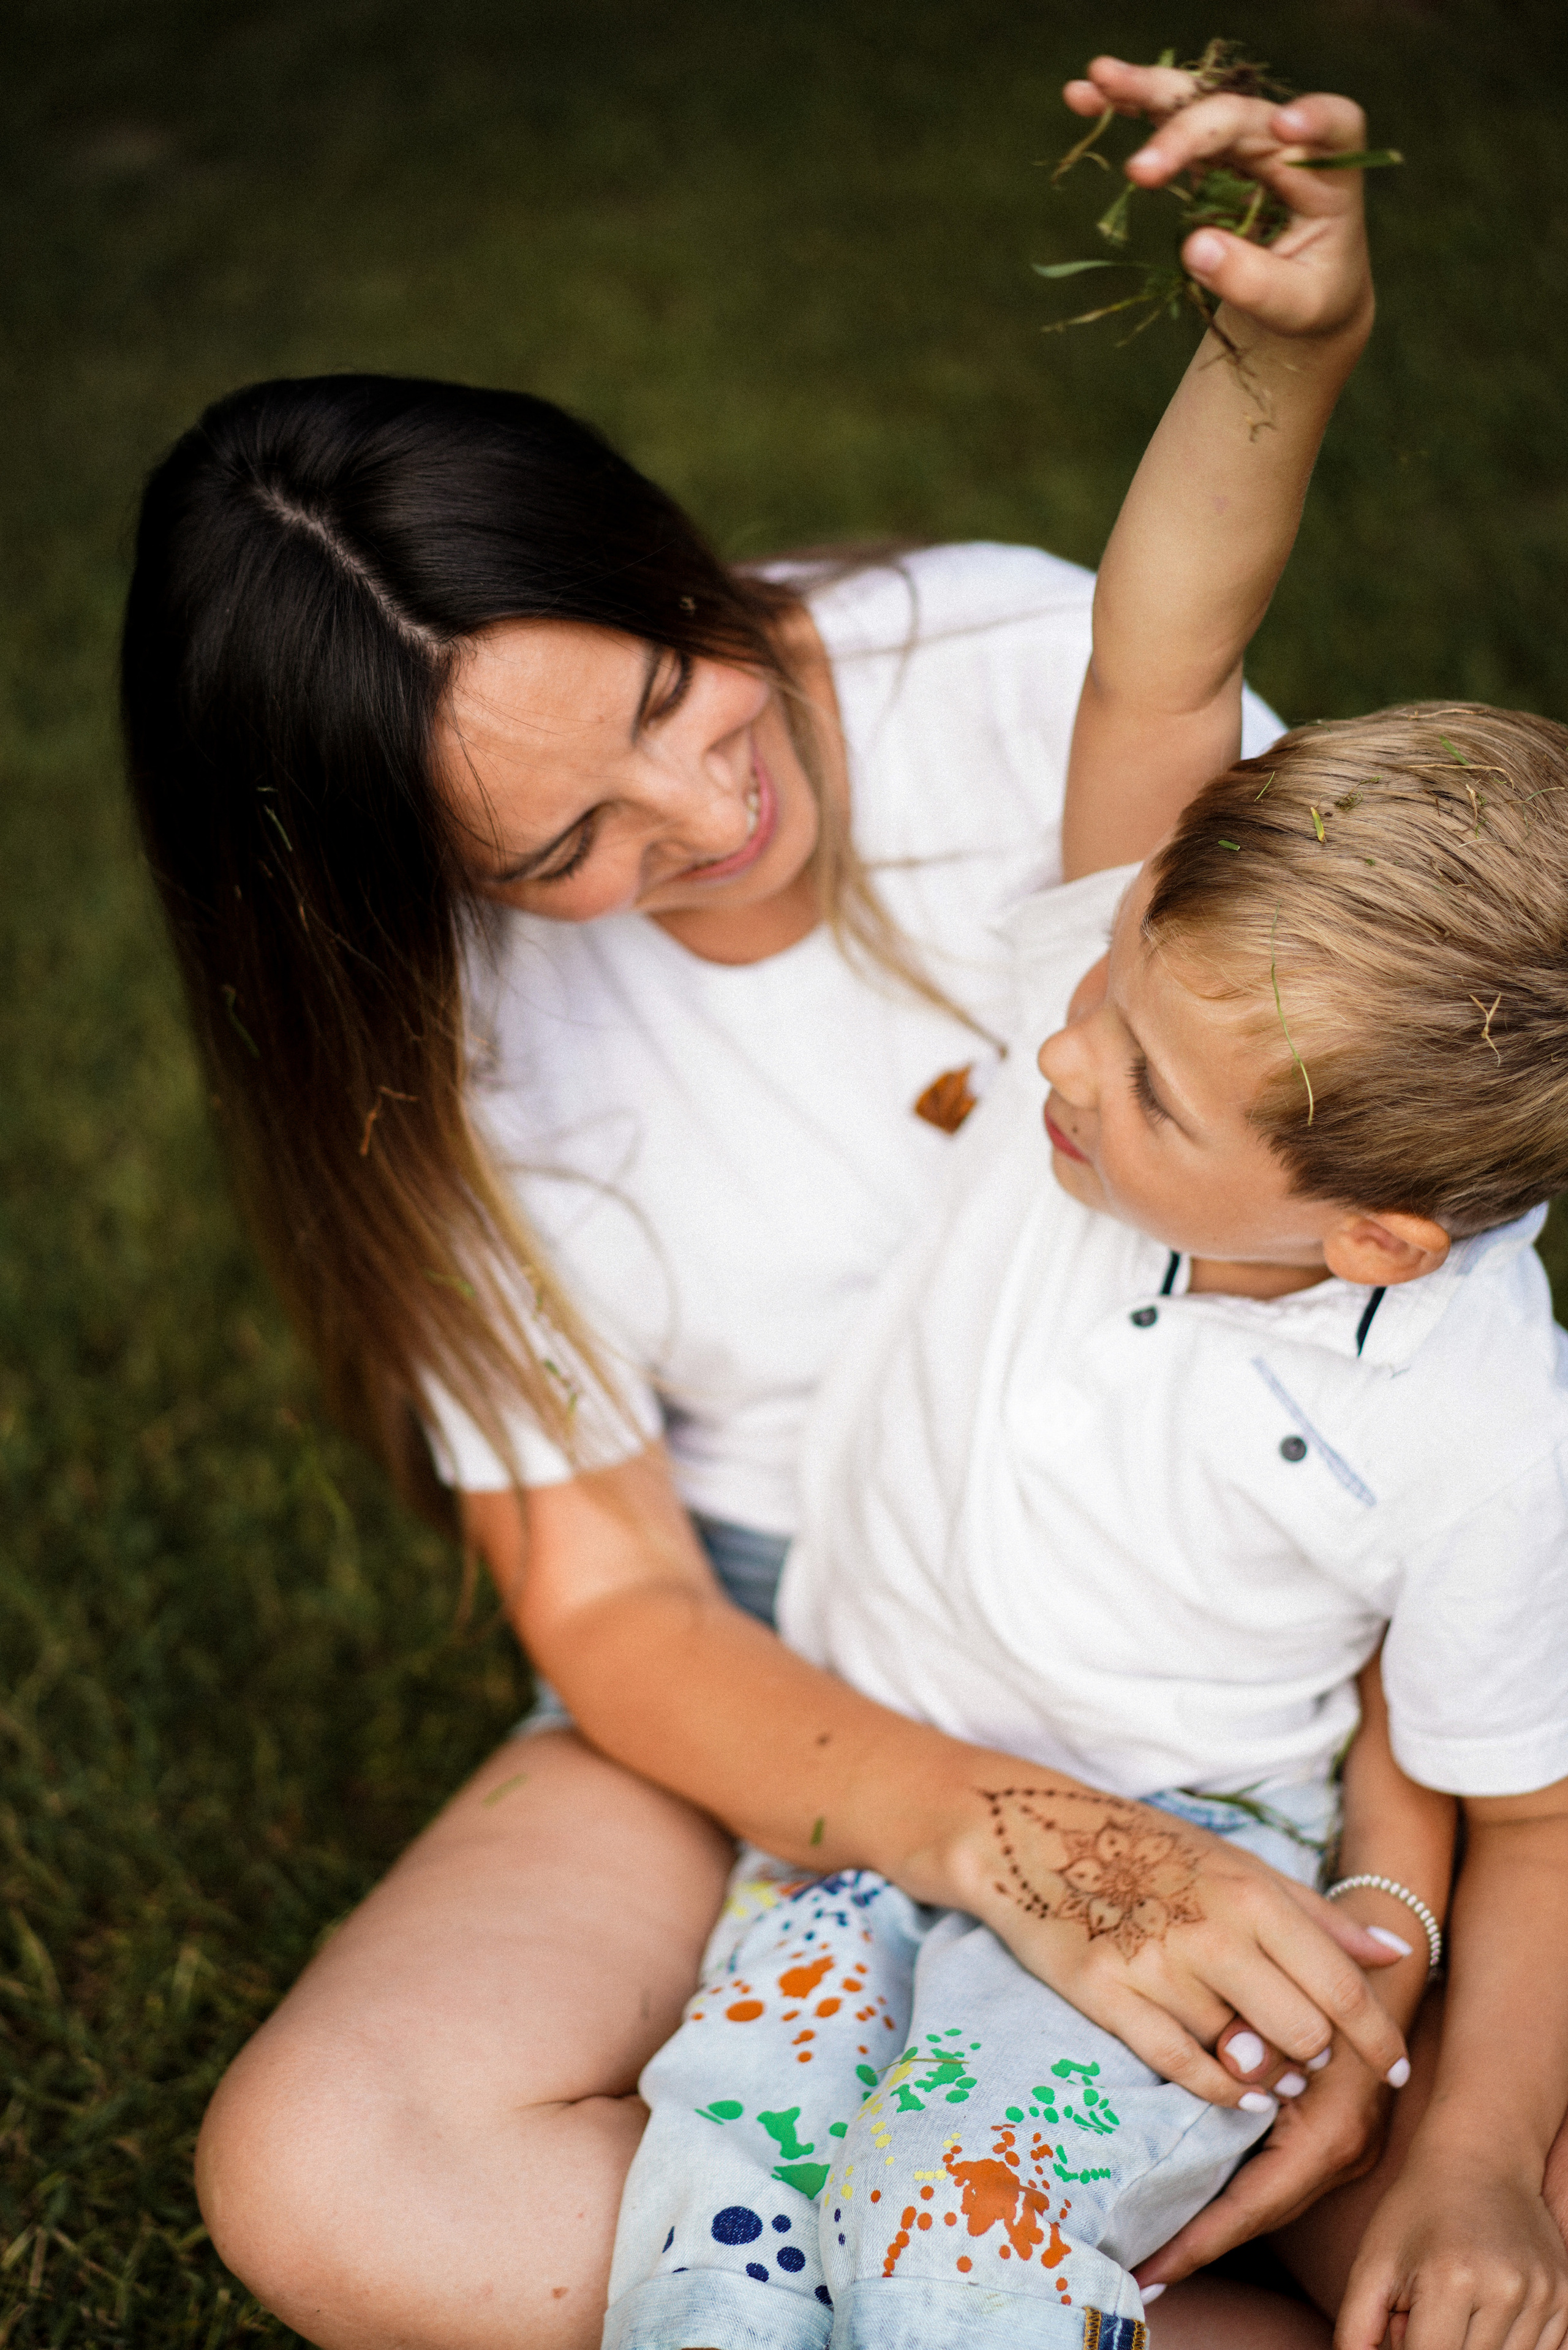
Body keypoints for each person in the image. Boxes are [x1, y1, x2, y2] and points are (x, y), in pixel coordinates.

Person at [124, 66, 1428, 2350]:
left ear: (646, 540)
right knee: (338, 2170)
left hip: (1243, 1577)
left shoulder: (1025, 671)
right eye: (562, 852)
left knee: (1463, 2196)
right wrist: (1011, 1844)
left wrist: (1416, 1995)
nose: (704, 815)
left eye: (669, 686)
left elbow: (1398, 1316)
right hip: (783, 1656)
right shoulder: (438, 1059)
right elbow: (618, 1605)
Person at [598, 55, 1568, 2350]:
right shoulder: (1135, 999)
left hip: (1201, 1883)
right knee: (714, 2246)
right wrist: (1274, 343)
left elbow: (1528, 1818)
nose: (1052, 1050)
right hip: (858, 1833)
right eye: (1104, 990)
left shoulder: (1476, 1412)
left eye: (1137, 1081)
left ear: (1370, 1240)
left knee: (961, 2270)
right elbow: (1171, 641)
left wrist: (1472, 2161)